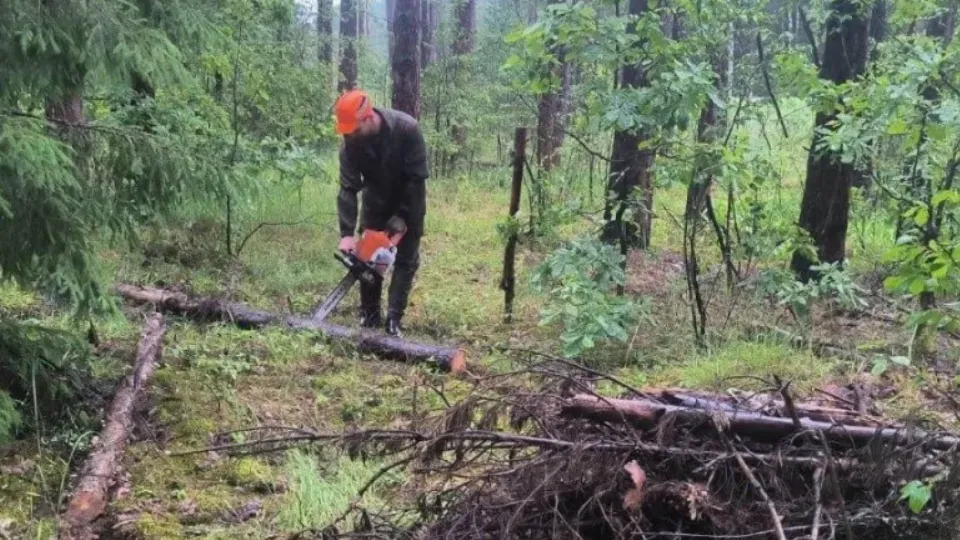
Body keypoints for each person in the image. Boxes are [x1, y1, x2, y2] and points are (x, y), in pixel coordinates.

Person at [333, 89, 429, 337]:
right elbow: (348, 188)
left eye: (353, 129)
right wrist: (346, 233)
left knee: (406, 260)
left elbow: (416, 178)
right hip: (375, 202)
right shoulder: (350, 145)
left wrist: (403, 216)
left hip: (410, 198)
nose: (349, 135)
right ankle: (370, 314)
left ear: (368, 117)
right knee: (368, 260)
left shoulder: (407, 129)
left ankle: (394, 319)